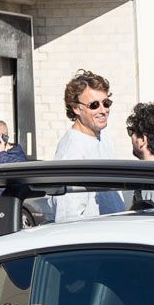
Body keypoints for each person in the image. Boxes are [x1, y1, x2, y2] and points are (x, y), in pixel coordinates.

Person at [51, 70, 127, 220]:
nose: (103, 110)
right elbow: (67, 218)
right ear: (76, 108)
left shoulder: (103, 136)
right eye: (94, 105)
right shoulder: (72, 152)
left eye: (106, 103)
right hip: (94, 239)